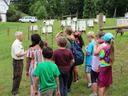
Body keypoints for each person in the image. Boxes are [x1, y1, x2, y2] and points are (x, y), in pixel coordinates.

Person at [11, 31, 26, 96]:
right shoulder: (16, 44)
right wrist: (26, 52)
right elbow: (17, 54)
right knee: (17, 76)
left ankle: (15, 90)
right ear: (18, 36)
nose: (23, 36)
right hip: (17, 62)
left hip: (19, 62)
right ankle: (15, 92)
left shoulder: (18, 43)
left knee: (18, 76)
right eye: (22, 35)